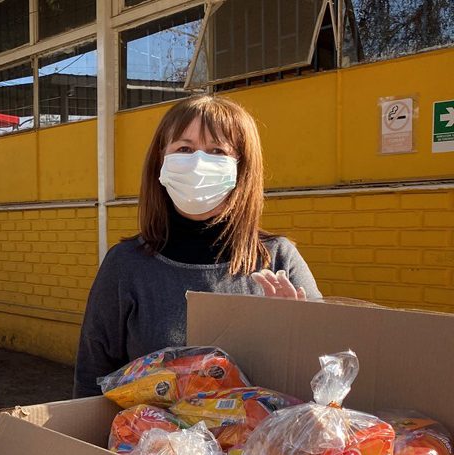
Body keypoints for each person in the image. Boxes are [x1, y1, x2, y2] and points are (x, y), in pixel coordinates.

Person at [74, 95, 320, 398]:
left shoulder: (278, 259)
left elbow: (327, 380)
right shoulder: (125, 265)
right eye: (184, 149)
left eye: (217, 150)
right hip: (146, 442)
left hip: (259, 442)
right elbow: (90, 381)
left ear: (242, 168)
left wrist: (301, 335)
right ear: (160, 161)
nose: (198, 163)